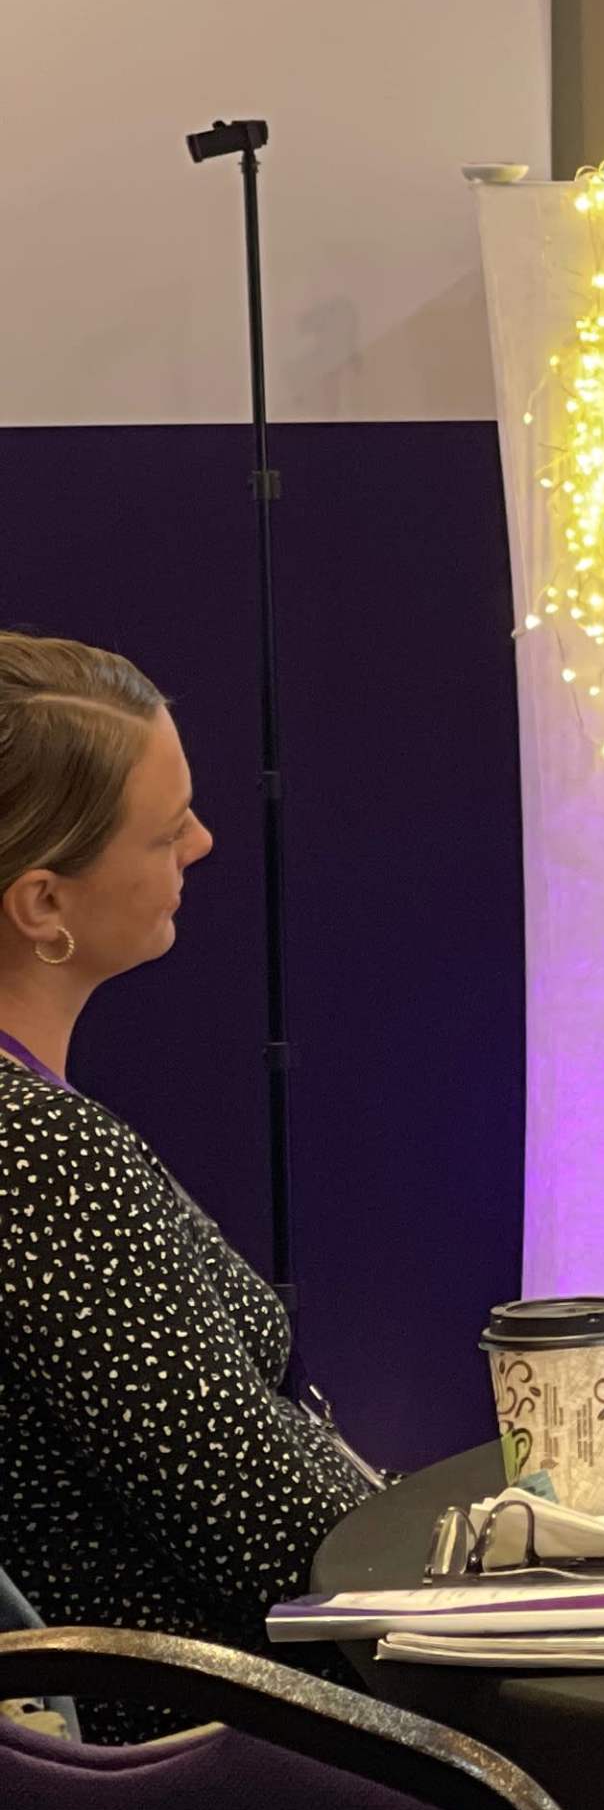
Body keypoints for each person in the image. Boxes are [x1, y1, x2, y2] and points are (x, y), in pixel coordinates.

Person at [0, 634, 374, 1671]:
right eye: (167, 833)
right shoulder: (39, 1162)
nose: (205, 844)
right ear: (43, 904)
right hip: (191, 1755)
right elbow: (286, 1544)